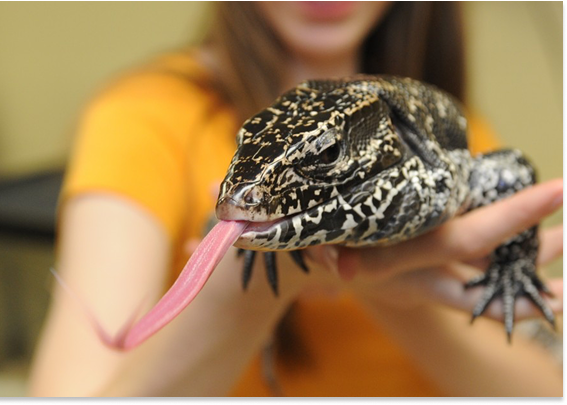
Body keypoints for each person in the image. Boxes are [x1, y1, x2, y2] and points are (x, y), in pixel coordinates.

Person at [28, 1, 563, 397]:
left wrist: (384, 283)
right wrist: (254, 290)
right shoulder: (144, 117)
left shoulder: (452, 136)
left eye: (328, 151)